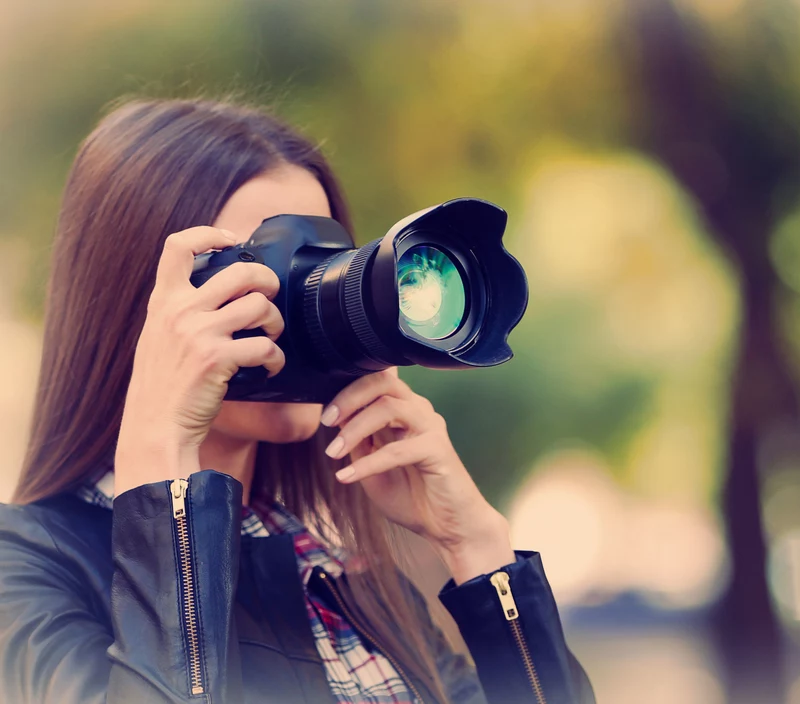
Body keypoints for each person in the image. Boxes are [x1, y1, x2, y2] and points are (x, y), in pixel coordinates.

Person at [0, 98, 594, 704]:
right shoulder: (24, 570)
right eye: (255, 267)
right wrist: (164, 463)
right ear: (138, 305)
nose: (294, 300)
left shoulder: (350, 583)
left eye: (322, 259)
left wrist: (478, 549)